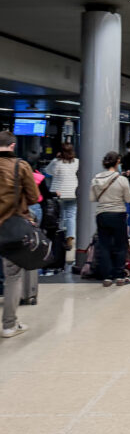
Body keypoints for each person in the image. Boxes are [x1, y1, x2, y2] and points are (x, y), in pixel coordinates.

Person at [0, 130, 40, 338]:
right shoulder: (20, 166)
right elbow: (34, 197)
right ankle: (9, 324)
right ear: (13, 146)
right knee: (12, 277)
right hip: (11, 228)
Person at [90, 151, 130, 287]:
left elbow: (92, 198)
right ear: (118, 162)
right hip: (118, 213)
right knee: (120, 245)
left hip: (102, 214)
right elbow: (128, 199)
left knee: (104, 245)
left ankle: (107, 276)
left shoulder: (96, 179)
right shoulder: (122, 180)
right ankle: (119, 275)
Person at [46, 143, 79, 251]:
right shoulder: (77, 162)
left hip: (58, 192)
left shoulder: (56, 162)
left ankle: (59, 237)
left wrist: (56, 158)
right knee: (71, 216)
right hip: (72, 192)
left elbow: (48, 171)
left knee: (59, 216)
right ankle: (69, 238)